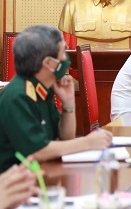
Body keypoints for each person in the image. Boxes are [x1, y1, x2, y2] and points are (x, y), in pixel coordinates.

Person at [0, 25, 113, 173]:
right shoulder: (17, 96)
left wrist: (68, 103)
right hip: (15, 182)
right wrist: (87, 142)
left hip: (41, 174)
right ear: (49, 63)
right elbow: (38, 151)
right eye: (63, 52)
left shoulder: (41, 89)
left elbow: (65, 137)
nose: (66, 59)